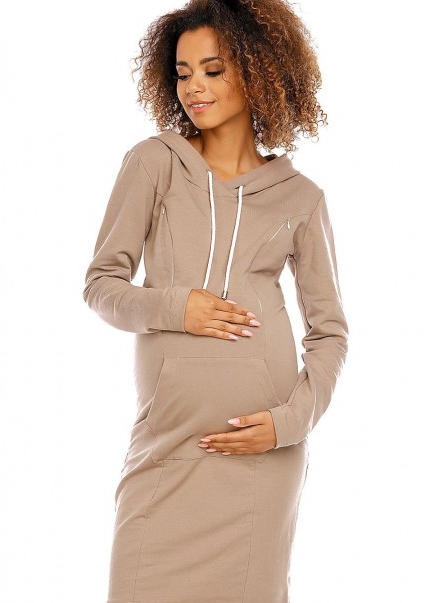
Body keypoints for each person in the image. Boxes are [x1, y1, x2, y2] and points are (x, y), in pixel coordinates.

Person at [82, 0, 349, 600]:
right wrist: (177, 308)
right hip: (167, 443)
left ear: (260, 71)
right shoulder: (155, 163)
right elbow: (102, 285)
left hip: (262, 456)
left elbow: (329, 331)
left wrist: (289, 423)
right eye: (183, 73)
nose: (193, 88)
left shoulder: (301, 197)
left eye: (213, 70)